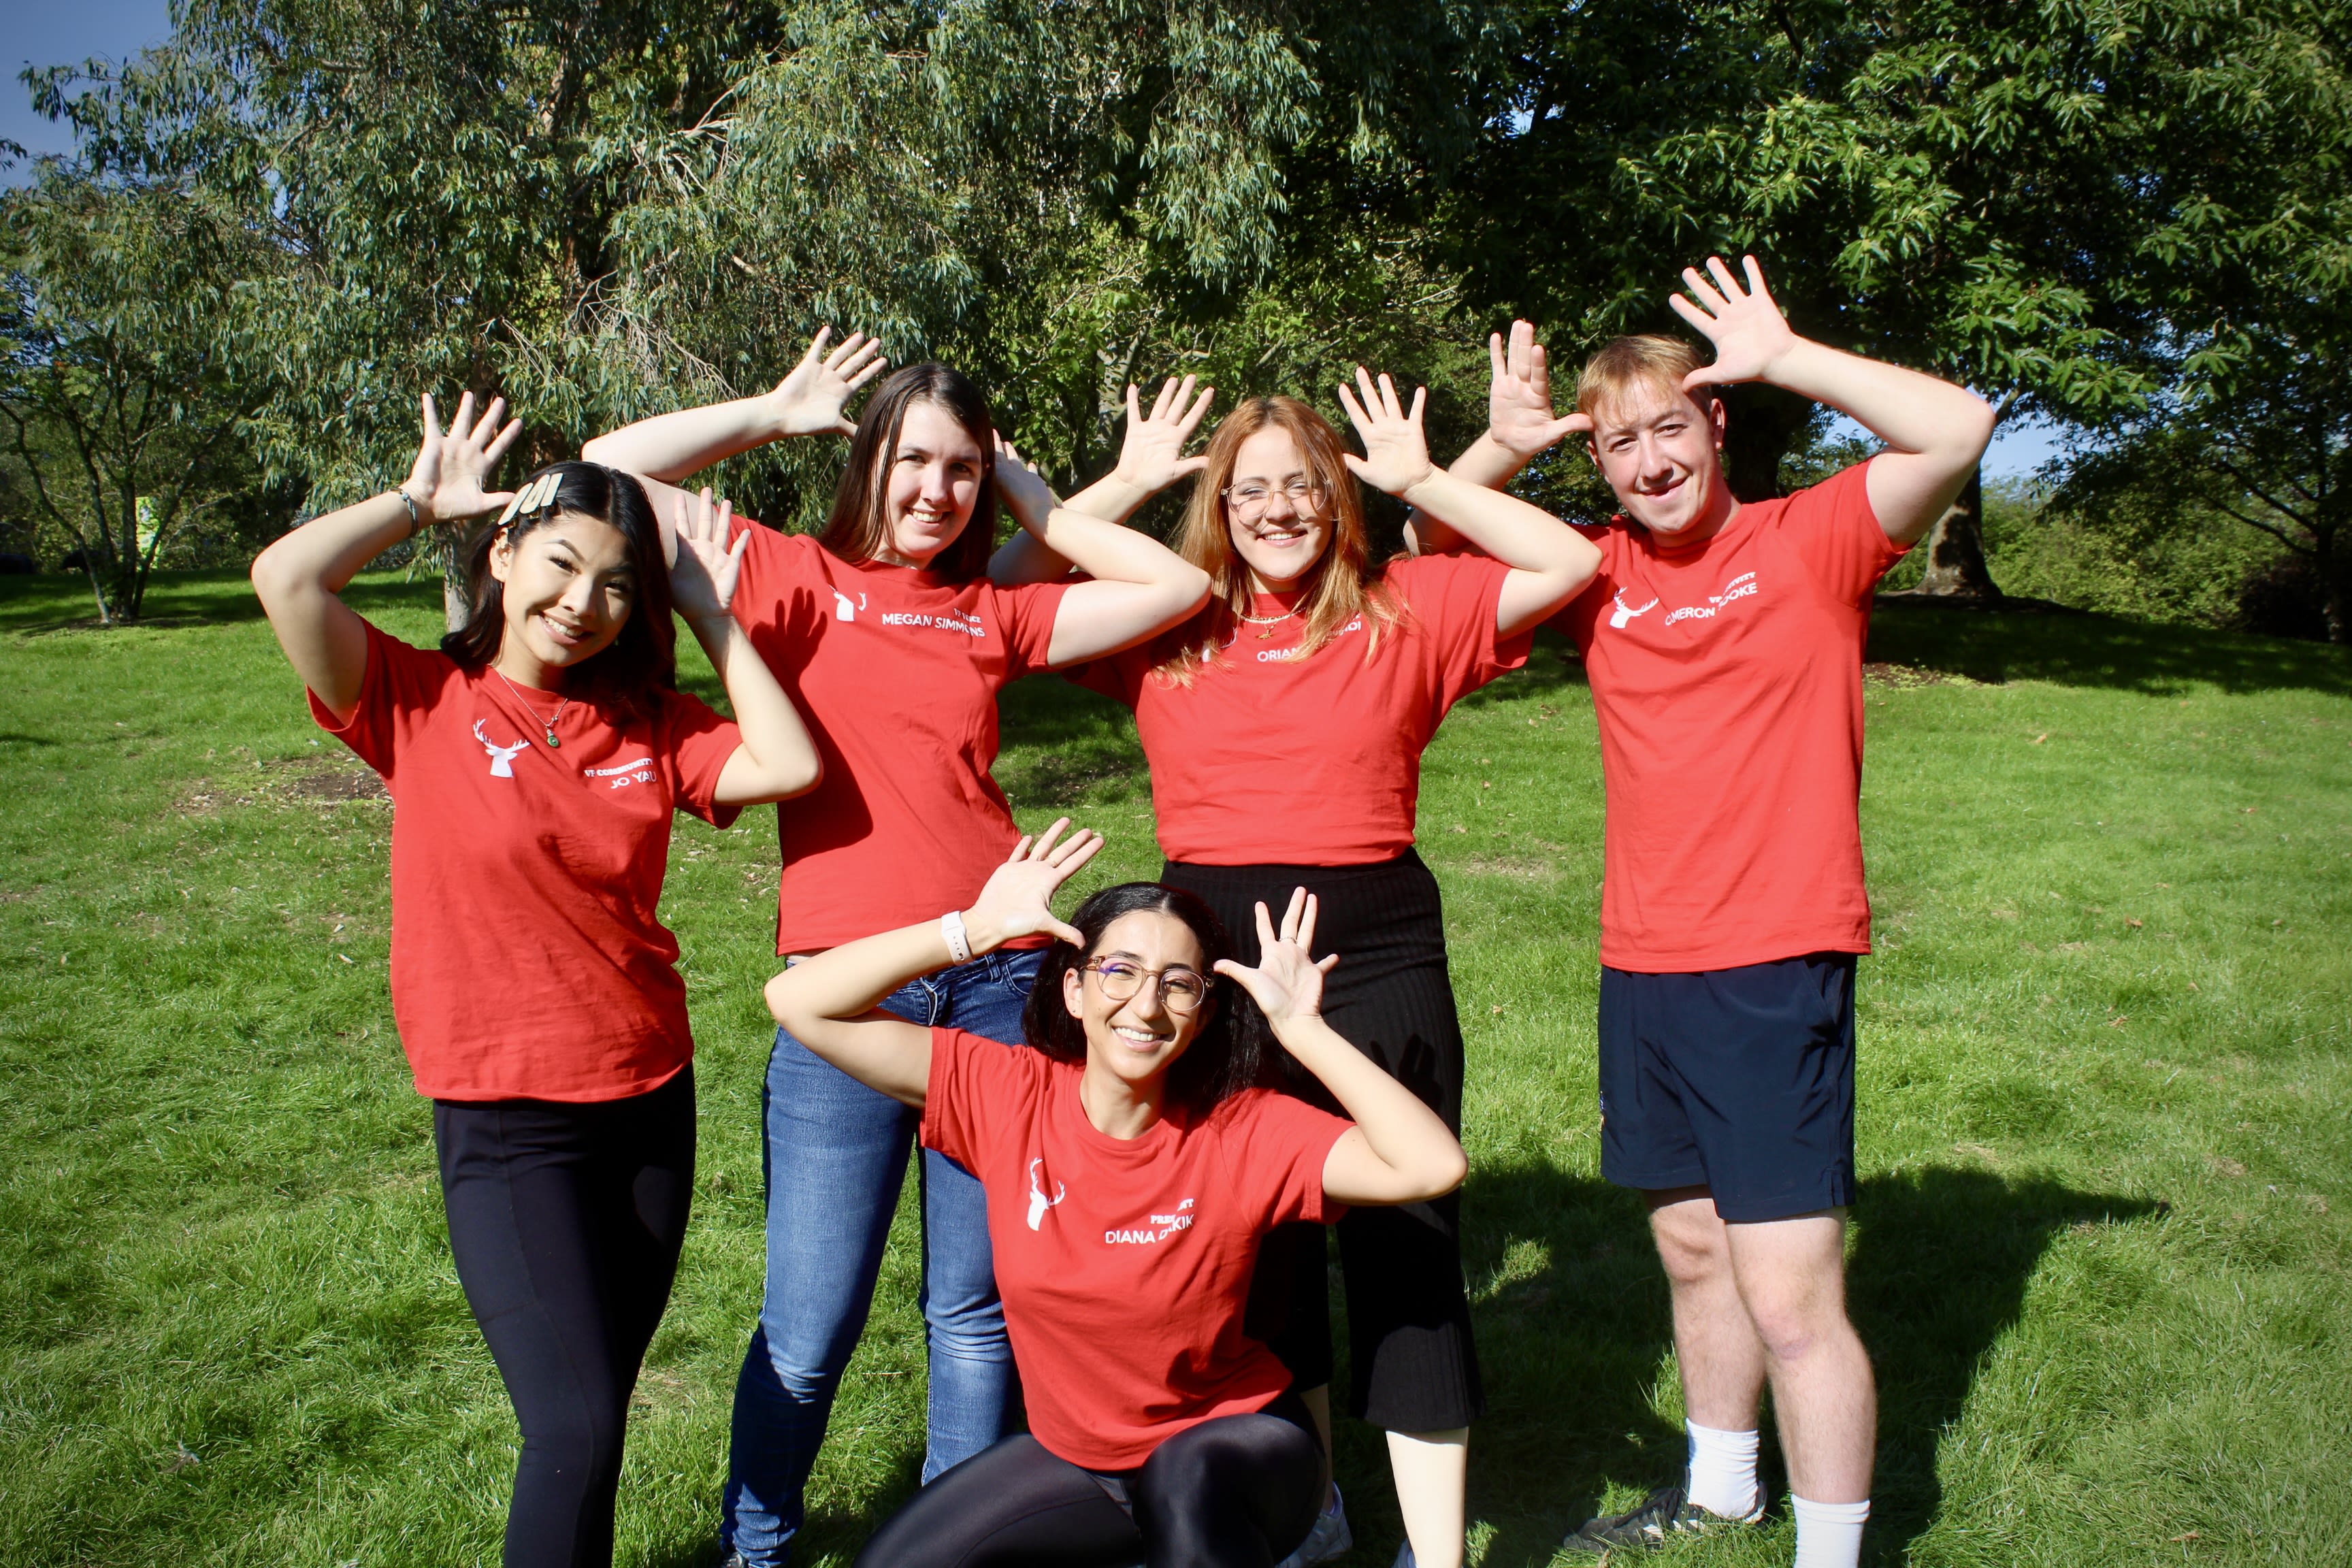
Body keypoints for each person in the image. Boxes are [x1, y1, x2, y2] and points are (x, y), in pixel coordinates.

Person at [582, 339, 1215, 1567]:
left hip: (996, 982)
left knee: (974, 1314)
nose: (938, 489)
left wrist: (1033, 493)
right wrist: (775, 412)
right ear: (869, 458)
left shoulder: (988, 610)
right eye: (915, 459)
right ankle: (757, 1548)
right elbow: (607, 467)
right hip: (850, 989)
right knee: (808, 1325)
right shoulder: (791, 577)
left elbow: (1173, 586)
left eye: (963, 468)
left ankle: (952, 1548)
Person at [1416, 257, 1996, 1568]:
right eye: (1619, 442)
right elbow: (1425, 557)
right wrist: (1501, 448)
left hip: (1774, 959)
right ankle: (1722, 1488)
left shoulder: (1810, 539)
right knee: (1689, 1247)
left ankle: (1834, 1553)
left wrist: (1789, 354)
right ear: (1598, 463)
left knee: (1791, 1292)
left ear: (1716, 422)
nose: (1649, 461)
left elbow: (1957, 428)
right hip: (1643, 960)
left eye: (1668, 427)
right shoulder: (1591, 568)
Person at [996, 365, 1600, 1567]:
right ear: (1217, 507)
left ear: (1337, 497)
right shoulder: (1164, 614)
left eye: (1303, 485)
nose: (1277, 509)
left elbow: (1568, 562)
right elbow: (1002, 598)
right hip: (1212, 947)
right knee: (1250, 1236)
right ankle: (1309, 1503)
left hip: (1376, 940)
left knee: (1406, 1229)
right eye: (1249, 490)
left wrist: (1429, 479)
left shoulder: (1408, 604)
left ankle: (1435, 1551)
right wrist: (1110, 486)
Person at [248, 393, 824, 1567]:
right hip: (509, 1116)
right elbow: (287, 577)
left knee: (597, 1409)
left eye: (617, 585)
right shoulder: (416, 700)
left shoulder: (649, 725)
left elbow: (789, 761)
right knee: (574, 1421)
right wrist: (416, 503)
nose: (583, 603)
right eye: (561, 564)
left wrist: (713, 614)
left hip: (648, 1099)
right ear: (503, 557)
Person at [760, 821, 1470, 1568]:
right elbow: (798, 1001)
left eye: (1178, 984)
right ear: (1074, 987)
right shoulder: (1006, 1094)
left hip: (1238, 1446)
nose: (1145, 1005)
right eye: (1119, 971)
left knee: (1184, 1491)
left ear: (1202, 1015)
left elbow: (1429, 1166)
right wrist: (972, 929)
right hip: (1081, 1462)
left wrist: (1303, 1029)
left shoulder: (1240, 1130)